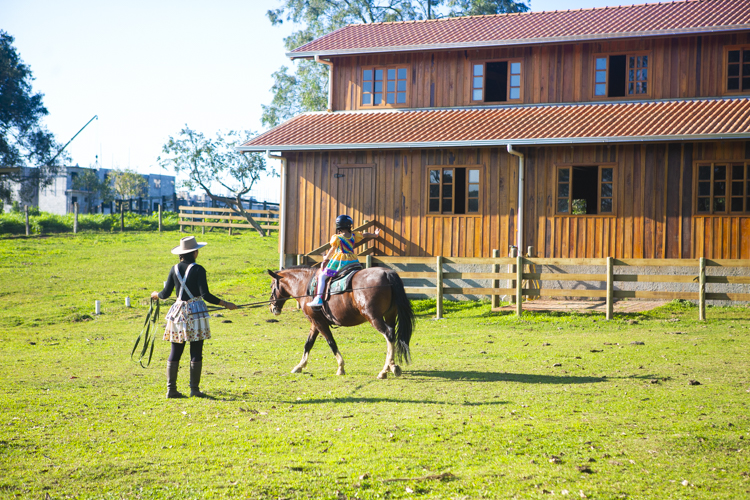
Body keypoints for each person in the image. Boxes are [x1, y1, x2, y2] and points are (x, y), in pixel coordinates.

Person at [151, 236, 237, 399]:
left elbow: (165, 293)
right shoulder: (199, 270)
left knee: (176, 350)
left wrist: (156, 294)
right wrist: (226, 304)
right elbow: (206, 295)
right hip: (196, 313)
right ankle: (194, 389)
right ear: (195, 253)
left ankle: (171, 389)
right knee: (196, 350)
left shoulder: (174, 269)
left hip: (178, 313)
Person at [309, 215, 380, 309]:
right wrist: (375, 235)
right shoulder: (354, 235)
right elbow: (365, 234)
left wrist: (326, 258)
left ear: (338, 226)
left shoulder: (337, 238)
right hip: (353, 260)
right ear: (350, 225)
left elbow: (333, 249)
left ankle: (318, 298)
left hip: (340, 261)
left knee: (322, 276)